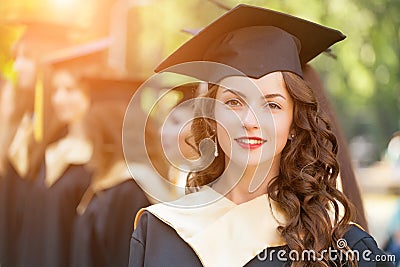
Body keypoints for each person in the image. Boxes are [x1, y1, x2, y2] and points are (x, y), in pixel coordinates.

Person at [128, 4, 393, 266]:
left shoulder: (338, 245)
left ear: (294, 124)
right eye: (233, 102)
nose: (250, 122)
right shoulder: (160, 233)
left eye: (272, 105)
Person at [16, 40, 109, 267]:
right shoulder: (49, 151)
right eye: (55, 90)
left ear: (93, 93)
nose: (58, 99)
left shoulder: (99, 163)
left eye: (70, 90)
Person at [70, 101, 150, 267]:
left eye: (91, 139)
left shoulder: (128, 192)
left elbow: (122, 257)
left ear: (106, 139)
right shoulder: (102, 182)